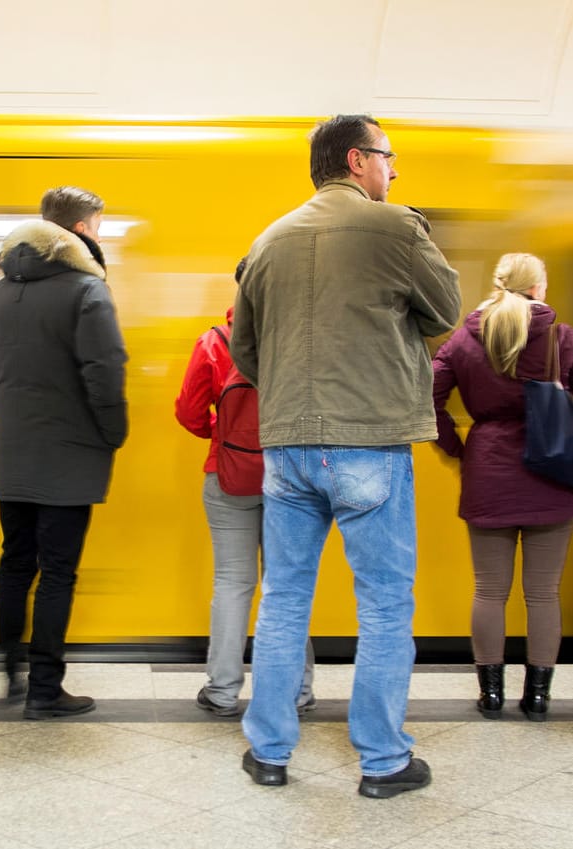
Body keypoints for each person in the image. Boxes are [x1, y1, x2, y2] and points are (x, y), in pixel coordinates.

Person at [230, 115, 461, 797]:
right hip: (369, 443)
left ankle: (267, 750)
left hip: (287, 445)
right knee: (385, 604)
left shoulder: (267, 239)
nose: (394, 171)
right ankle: (383, 761)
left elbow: (246, 349)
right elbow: (445, 307)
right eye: (389, 158)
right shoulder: (394, 227)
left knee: (282, 600)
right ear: (359, 161)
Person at [0, 186, 128, 719]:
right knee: (58, 571)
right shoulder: (87, 292)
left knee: (16, 562)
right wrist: (111, 431)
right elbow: (104, 373)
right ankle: (46, 689)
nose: (100, 236)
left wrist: (9, 417)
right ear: (81, 231)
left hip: (15, 452)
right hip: (71, 453)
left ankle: (11, 672)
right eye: (98, 227)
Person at [431, 253, 573, 721]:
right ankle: (538, 697)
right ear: (536, 288)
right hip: (552, 476)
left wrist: (457, 447)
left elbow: (427, 393)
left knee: (489, 591)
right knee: (543, 594)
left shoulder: (464, 340)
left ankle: (490, 695)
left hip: (488, 471)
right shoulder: (560, 337)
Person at [174, 258, 315, 718]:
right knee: (286, 586)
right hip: (291, 478)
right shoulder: (302, 343)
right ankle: (297, 692)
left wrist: (225, 439)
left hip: (228, 477)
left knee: (233, 585)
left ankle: (222, 691)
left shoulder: (214, 343)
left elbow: (189, 413)